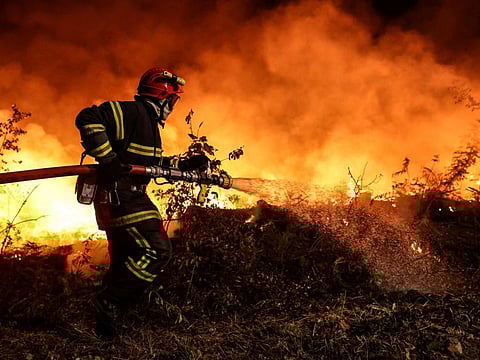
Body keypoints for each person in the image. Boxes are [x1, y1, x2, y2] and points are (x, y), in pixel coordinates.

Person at [75, 67, 209, 339]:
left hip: (122, 197)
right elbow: (87, 118)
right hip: (122, 197)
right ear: (162, 96)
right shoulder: (128, 112)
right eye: (173, 100)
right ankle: (110, 301)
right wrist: (108, 159)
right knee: (158, 251)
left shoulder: (147, 125)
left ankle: (106, 328)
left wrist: (182, 164)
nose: (172, 106)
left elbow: (148, 165)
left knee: (123, 260)